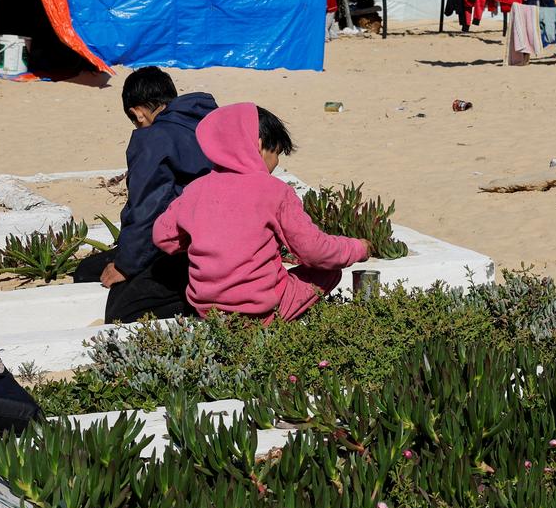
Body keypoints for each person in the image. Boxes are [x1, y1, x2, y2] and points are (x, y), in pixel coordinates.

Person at [153, 102, 371, 322]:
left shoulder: (195, 189)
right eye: (275, 153)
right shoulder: (275, 191)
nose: (275, 162)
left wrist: (206, 242)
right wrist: (358, 248)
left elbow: (163, 237)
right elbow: (314, 251)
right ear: (258, 146)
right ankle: (275, 326)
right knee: (329, 270)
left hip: (207, 311)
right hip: (261, 312)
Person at [74, 67, 216, 321]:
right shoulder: (207, 122)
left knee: (122, 310)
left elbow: (149, 207)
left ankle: (194, 303)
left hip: (186, 247)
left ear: (137, 111)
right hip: (219, 238)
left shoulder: (154, 137)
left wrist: (126, 265)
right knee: (88, 270)